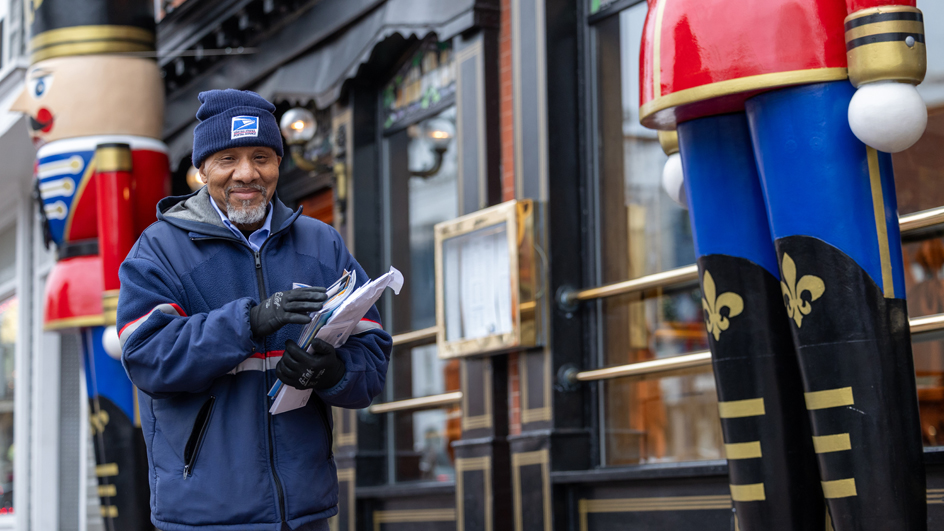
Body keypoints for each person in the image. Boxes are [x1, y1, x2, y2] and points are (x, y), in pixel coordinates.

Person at [116, 89, 392, 531]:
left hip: (305, 514)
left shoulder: (323, 243)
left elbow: (373, 361)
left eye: (261, 156)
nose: (247, 173)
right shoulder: (158, 250)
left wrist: (334, 370)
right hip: (205, 516)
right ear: (202, 169)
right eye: (228, 159)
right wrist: (249, 322)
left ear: (278, 165)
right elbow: (148, 356)